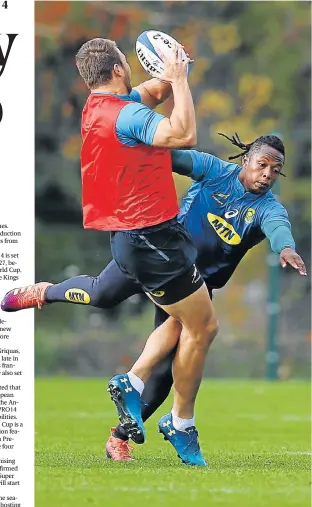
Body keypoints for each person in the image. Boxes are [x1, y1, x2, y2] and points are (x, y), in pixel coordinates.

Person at [2, 131, 307, 462]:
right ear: (246, 159)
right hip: (157, 254)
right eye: (262, 165)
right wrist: (133, 148)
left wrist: (286, 246)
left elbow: (278, 226)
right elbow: (172, 157)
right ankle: (44, 292)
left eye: (275, 171)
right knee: (102, 294)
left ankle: (119, 437)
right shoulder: (215, 170)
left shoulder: (267, 207)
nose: (267, 175)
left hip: (193, 286)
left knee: (166, 373)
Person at [1, 38, 221, 467]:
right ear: (119, 69)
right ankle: (173, 416)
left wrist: (173, 72)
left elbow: (151, 93)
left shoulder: (99, 107)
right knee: (201, 325)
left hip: (127, 238)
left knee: (104, 293)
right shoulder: (129, 116)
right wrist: (179, 79)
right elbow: (184, 133)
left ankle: (44, 291)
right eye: (127, 60)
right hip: (155, 241)